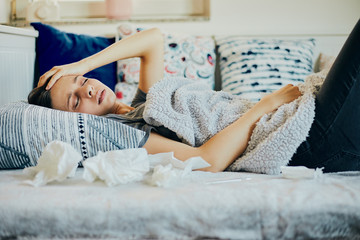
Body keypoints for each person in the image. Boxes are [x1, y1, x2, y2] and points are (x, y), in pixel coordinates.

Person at [28, 19, 360, 173]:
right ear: (77, 121)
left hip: (304, 116)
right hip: (310, 139)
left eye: (82, 81)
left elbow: (153, 39)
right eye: (75, 100)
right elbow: (207, 160)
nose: (86, 89)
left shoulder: (147, 101)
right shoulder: (130, 132)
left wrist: (79, 64)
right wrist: (267, 104)